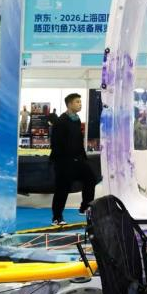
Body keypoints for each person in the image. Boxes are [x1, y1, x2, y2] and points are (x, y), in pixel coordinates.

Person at [50, 93, 97, 225]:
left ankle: (85, 207)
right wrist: (63, 161)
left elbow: (78, 141)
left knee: (91, 179)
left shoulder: (76, 120)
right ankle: (57, 217)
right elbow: (56, 144)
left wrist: (82, 158)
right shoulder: (61, 121)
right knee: (62, 188)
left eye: (80, 102)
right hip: (64, 162)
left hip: (78, 160)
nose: (80, 104)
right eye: (77, 102)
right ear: (69, 104)